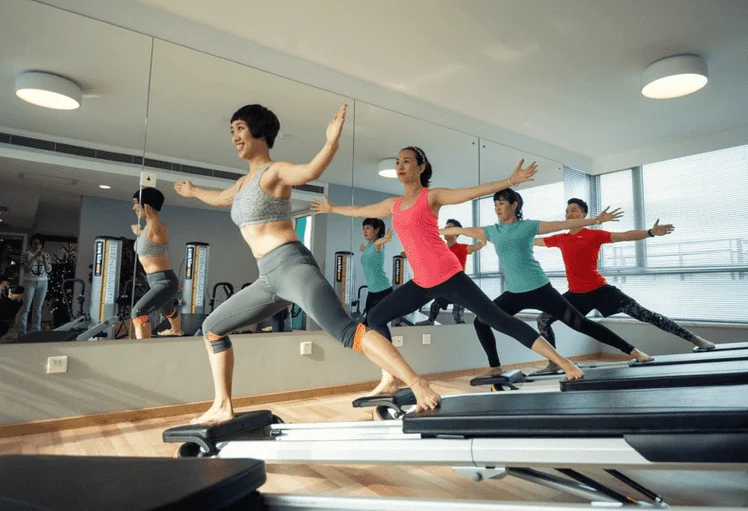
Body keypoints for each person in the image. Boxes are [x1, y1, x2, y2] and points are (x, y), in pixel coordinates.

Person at [175, 104, 440, 424]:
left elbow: (310, 172)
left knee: (346, 331)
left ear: (260, 132)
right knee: (212, 329)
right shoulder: (242, 185)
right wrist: (192, 191)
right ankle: (222, 405)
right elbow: (218, 198)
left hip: (291, 266)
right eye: (232, 130)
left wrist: (331, 143)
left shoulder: (274, 172)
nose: (235, 137)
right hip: (267, 277)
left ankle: (417, 383)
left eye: (241, 128)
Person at [312, 148, 584, 396]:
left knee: (499, 320)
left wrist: (510, 181)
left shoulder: (431, 196)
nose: (400, 166)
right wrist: (332, 208)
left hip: (450, 276)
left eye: (406, 161)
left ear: (421, 167)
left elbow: (472, 191)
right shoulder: (393, 205)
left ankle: (563, 360)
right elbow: (361, 210)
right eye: (397, 162)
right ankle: (390, 377)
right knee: (375, 316)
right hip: (421, 282)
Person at [444, 188, 653, 374]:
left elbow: (560, 224)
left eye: (502, 203)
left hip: (540, 289)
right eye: (495, 204)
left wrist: (595, 220)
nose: (497, 208)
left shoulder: (528, 227)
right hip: (514, 293)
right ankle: (495, 367)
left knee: (581, 324)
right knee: (481, 321)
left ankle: (633, 350)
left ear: (514, 205)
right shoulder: (492, 231)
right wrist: (429, 232)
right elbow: (456, 230)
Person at [533, 197, 716, 351]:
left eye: (573, 210)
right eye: (567, 211)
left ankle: (694, 339)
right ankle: (554, 363)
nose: (569, 214)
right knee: (542, 320)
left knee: (646, 315)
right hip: (575, 295)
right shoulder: (560, 238)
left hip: (601, 290)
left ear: (583, 215)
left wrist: (650, 232)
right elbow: (535, 241)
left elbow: (625, 236)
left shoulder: (593, 235)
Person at [131, 187, 184, 339]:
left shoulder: (156, 225)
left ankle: (143, 349)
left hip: (164, 281)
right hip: (157, 280)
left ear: (146, 205)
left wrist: (149, 214)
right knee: (167, 309)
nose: (133, 207)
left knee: (138, 312)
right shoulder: (149, 227)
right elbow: (150, 240)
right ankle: (176, 330)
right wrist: (139, 232)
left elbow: (156, 229)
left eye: (136, 203)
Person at [416, 218, 483, 325]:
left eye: (450, 228)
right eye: (445, 228)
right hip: (445, 287)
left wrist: (483, 237)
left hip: (459, 288)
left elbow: (477, 246)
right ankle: (430, 321)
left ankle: (462, 331)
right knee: (435, 305)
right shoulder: (440, 249)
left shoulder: (461, 248)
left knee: (457, 315)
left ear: (457, 232)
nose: (446, 230)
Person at [359, 218, 394, 321]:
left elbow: (380, 242)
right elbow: (365, 263)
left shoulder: (377, 244)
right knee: (368, 321)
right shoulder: (367, 246)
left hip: (383, 291)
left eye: (368, 228)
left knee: (372, 322)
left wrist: (386, 238)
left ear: (377, 230)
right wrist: (362, 252)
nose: (365, 231)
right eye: (363, 228)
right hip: (372, 291)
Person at [18, 235, 51, 333]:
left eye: (39, 243)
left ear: (42, 245)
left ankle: (36, 330)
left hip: (43, 282)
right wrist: (34, 258)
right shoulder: (25, 254)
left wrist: (44, 259)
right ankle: (22, 331)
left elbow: (48, 269)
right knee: (26, 307)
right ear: (31, 244)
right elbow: (26, 268)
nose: (37, 245)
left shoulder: (46, 255)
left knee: (38, 308)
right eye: (35, 243)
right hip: (29, 282)